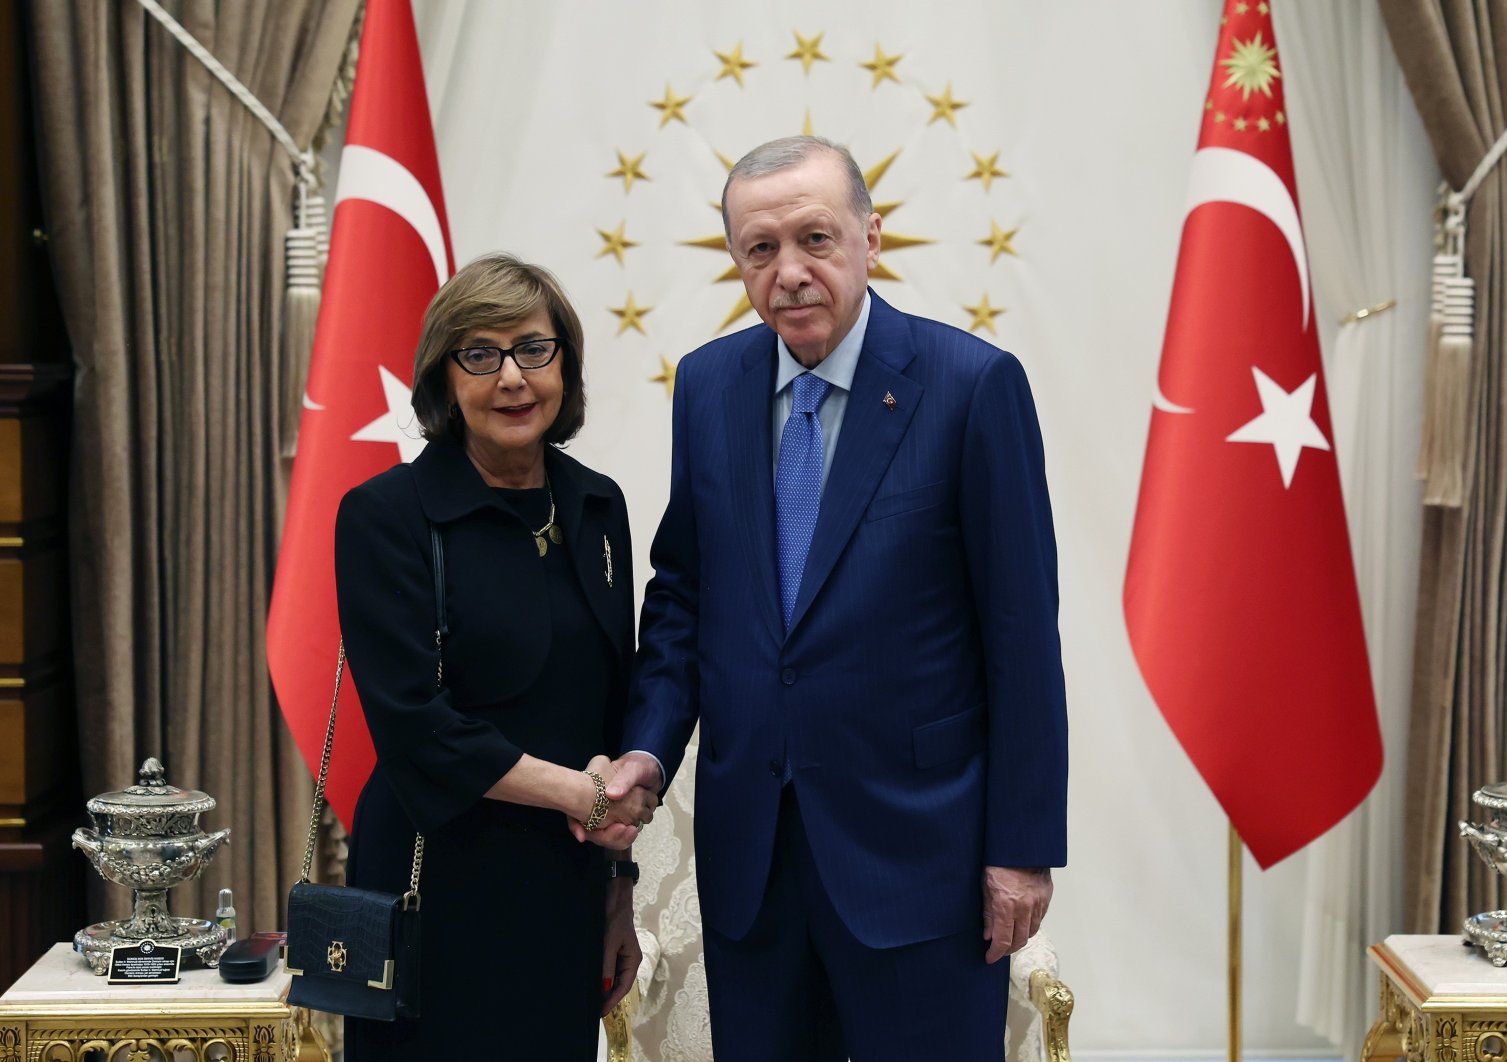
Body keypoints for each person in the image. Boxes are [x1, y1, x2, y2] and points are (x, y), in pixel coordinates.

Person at [601, 136, 1069, 1060]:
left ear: (871, 236)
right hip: (754, 870)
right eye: (761, 249)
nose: (790, 272)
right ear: (736, 259)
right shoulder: (707, 388)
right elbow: (685, 598)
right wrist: (649, 749)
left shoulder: (973, 388)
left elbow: (1021, 636)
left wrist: (1021, 847)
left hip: (920, 865)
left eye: (816, 238)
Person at [335, 253, 656, 1060]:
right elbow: (414, 726)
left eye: (533, 349)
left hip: (563, 885)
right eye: (480, 354)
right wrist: (579, 796)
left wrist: (619, 892)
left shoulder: (596, 503)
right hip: (430, 883)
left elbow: (612, 703)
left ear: (565, 366)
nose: (512, 377)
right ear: (445, 379)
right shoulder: (385, 515)